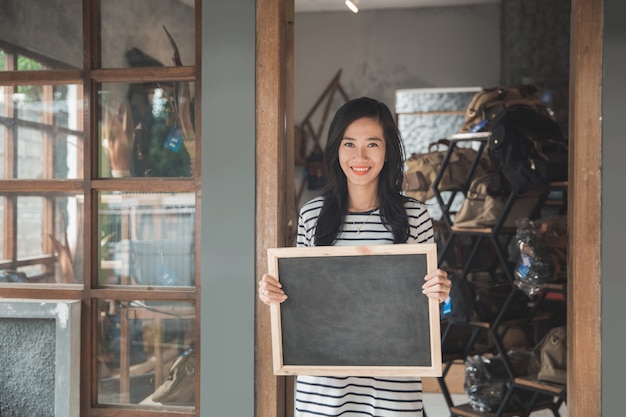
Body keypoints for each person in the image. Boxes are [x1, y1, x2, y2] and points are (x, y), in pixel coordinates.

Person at [258, 96, 451, 416]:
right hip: (323, 388)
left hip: (393, 388)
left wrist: (440, 291)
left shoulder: (414, 216)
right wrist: (274, 293)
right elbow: (301, 302)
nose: (360, 156)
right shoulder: (312, 216)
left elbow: (426, 304)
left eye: (372, 144)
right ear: (336, 149)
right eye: (349, 144)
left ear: (388, 150)